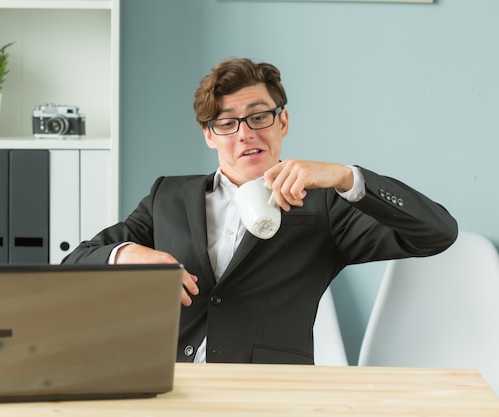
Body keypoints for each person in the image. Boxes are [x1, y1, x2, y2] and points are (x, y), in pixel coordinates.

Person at [63, 57, 458, 364]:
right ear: (208, 134)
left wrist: (345, 177)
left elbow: (436, 233)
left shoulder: (326, 204)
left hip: (271, 392)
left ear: (282, 121)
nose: (245, 133)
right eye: (227, 122)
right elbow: (74, 264)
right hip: (169, 384)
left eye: (258, 116)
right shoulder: (168, 195)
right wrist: (124, 254)